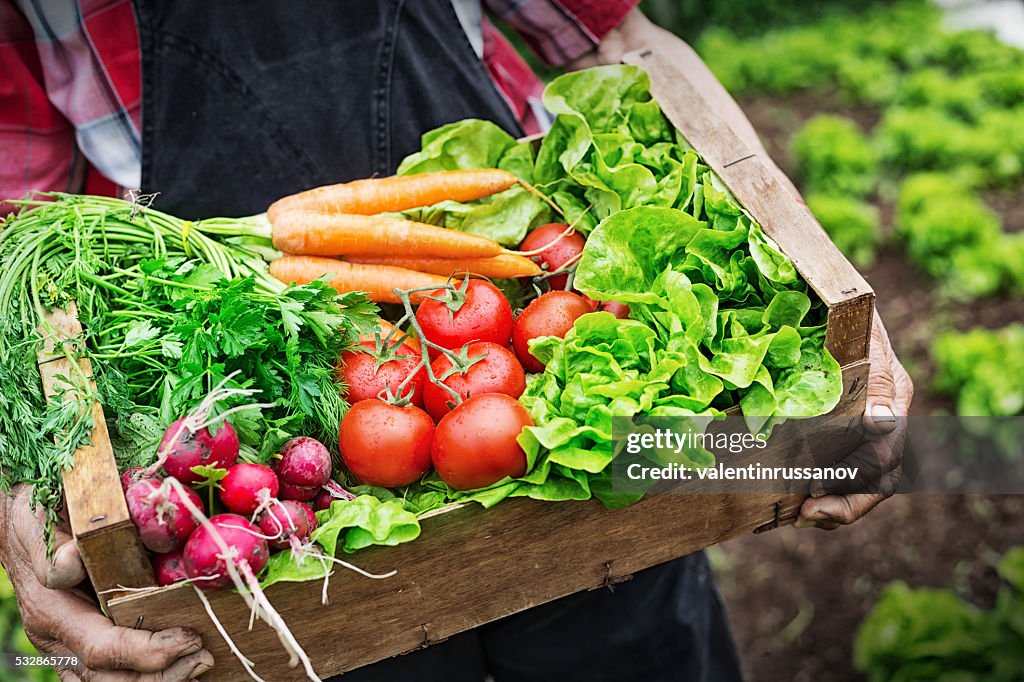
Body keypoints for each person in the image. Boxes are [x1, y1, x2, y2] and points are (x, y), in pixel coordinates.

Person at [0, 1, 914, 680]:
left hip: (529, 287)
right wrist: (24, 490)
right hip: (226, 389)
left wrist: (824, 279)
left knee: (633, 631)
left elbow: (620, 45)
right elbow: (17, 232)